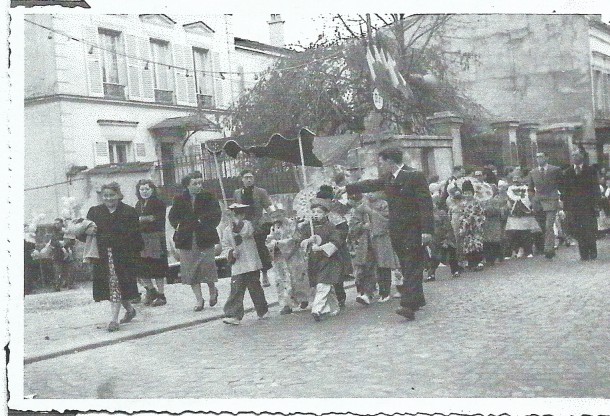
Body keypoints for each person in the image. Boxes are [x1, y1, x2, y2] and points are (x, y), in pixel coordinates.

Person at [346, 147, 433, 321]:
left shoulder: (414, 176)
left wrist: (427, 230)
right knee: (408, 265)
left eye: (382, 161)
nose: (380, 164)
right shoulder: (389, 178)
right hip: (397, 230)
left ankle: (408, 305)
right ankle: (418, 299)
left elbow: (425, 204)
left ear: (390, 161)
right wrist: (348, 187)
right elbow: (371, 184)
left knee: (411, 266)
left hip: (414, 229)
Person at [84, 182, 143, 332]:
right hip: (103, 256)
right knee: (113, 286)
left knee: (117, 285)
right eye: (105, 195)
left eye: (112, 195)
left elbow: (136, 236)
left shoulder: (129, 212)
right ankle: (129, 310)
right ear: (101, 197)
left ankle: (114, 320)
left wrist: (135, 257)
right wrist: (88, 232)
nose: (108, 198)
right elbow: (85, 234)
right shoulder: (95, 212)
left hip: (123, 256)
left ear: (118, 195)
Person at [168, 172, 222, 311]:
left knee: (207, 267)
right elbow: (173, 216)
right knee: (191, 270)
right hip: (187, 239)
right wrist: (179, 226)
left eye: (200, 183)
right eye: (195, 183)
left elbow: (216, 214)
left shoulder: (208, 197)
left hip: (204, 237)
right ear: (187, 185)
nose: (198, 186)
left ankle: (212, 290)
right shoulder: (179, 198)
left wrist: (204, 222)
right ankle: (199, 299)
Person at [221, 203, 269, 325]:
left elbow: (244, 232)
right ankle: (234, 314)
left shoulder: (247, 225)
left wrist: (234, 221)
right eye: (232, 215)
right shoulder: (226, 230)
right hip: (238, 265)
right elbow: (225, 246)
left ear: (242, 215)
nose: (235, 217)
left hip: (250, 262)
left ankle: (262, 310)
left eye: (237, 215)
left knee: (255, 288)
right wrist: (231, 253)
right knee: (236, 289)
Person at [348, 191, 400, 303]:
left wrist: (371, 213)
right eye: (367, 192)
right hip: (366, 241)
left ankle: (384, 292)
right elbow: (353, 223)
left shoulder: (384, 205)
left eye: (373, 191)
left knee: (383, 266)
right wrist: (362, 226)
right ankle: (367, 293)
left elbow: (387, 221)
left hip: (382, 239)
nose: (370, 194)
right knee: (367, 266)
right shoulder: (361, 206)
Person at [298, 198, 343, 321]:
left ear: (325, 214)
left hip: (329, 260)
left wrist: (322, 247)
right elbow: (301, 242)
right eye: (313, 212)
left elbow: (336, 241)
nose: (316, 214)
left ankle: (317, 309)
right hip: (314, 261)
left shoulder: (330, 227)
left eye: (319, 212)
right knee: (326, 285)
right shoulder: (307, 227)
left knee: (323, 284)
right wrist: (307, 241)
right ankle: (334, 307)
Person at [232, 170, 275, 287]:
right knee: (246, 250)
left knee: (260, 249)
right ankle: (250, 277)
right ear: (242, 179)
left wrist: (275, 218)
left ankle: (265, 275)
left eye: (251, 177)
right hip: (243, 227)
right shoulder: (237, 193)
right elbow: (235, 209)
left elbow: (268, 206)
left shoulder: (261, 192)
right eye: (246, 177)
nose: (249, 179)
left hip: (258, 226)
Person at [265, 209, 309, 315]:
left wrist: (279, 243)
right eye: (273, 217)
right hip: (280, 256)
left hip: (294, 255)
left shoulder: (292, 224)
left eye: (277, 216)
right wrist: (272, 243)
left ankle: (303, 298)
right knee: (282, 280)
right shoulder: (273, 227)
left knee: (297, 278)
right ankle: (286, 304)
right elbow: (269, 240)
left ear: (283, 214)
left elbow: (294, 239)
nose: (275, 219)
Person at [314, 185, 352, 308]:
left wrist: (334, 241)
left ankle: (340, 297)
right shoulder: (314, 217)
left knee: (337, 273)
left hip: (336, 249)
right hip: (320, 250)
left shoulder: (336, 216)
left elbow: (343, 231)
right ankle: (327, 299)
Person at [561, 151, 601, 261]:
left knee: (589, 229)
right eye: (573, 155)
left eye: (577, 155)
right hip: (574, 207)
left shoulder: (590, 170)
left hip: (588, 205)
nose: (575, 157)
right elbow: (565, 191)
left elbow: (595, 188)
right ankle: (583, 253)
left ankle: (592, 251)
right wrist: (566, 207)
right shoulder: (568, 172)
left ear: (582, 157)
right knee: (578, 230)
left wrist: (596, 203)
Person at [135, 179, 169, 307]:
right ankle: (151, 291)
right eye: (142, 189)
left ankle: (161, 295)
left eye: (147, 189)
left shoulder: (158, 203)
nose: (144, 192)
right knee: (142, 268)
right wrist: (143, 220)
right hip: (141, 240)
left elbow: (155, 219)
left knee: (157, 268)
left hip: (155, 239)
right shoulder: (138, 204)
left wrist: (141, 219)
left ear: (152, 189)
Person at [528, 152, 562, 259]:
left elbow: (561, 184)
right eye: (537, 157)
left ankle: (549, 249)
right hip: (538, 202)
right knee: (543, 226)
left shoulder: (555, 170)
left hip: (551, 199)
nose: (539, 159)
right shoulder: (533, 172)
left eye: (541, 156)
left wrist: (561, 198)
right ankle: (554, 240)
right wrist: (532, 199)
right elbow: (530, 188)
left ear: (547, 157)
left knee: (548, 225)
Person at [425, 195, 460, 281]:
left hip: (445, 237)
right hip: (434, 239)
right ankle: (431, 274)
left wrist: (446, 240)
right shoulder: (426, 215)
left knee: (451, 252)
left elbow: (448, 227)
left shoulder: (442, 213)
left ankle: (455, 270)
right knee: (435, 257)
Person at [505, 183, 540, 258]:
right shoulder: (509, 189)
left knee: (526, 233)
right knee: (513, 234)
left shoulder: (527, 188)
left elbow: (531, 198)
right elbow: (509, 200)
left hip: (526, 215)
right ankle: (513, 251)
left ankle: (528, 251)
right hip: (513, 216)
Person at [458, 180, 486, 271]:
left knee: (476, 243)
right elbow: (461, 214)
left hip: (475, 226)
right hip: (466, 226)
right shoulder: (462, 204)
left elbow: (480, 214)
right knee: (468, 244)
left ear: (472, 193)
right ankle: (471, 262)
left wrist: (473, 218)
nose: (467, 195)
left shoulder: (476, 203)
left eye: (469, 193)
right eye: (465, 193)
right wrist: (463, 221)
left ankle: (479, 262)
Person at [481, 185, 507, 266]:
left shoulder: (497, 200)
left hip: (495, 222)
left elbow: (502, 210)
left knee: (496, 240)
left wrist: (489, 209)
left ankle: (497, 257)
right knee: (486, 241)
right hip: (486, 223)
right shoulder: (482, 201)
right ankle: (488, 258)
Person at [49, 217, 76, 291]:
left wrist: (66, 243)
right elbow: (52, 242)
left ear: (61, 223)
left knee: (69, 270)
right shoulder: (53, 232)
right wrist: (59, 243)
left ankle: (69, 285)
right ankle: (57, 286)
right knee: (57, 271)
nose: (56, 225)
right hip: (57, 253)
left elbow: (72, 241)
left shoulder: (66, 231)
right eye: (55, 223)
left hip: (67, 253)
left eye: (58, 223)